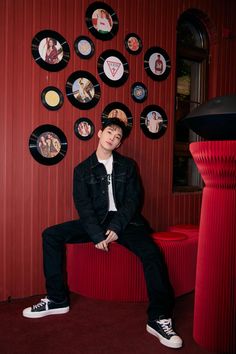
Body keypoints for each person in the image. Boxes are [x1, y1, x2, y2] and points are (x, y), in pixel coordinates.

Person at [22, 118, 183, 349]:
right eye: (110, 132)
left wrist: (116, 229)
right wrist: (97, 235)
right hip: (95, 222)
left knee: (151, 253)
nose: (113, 138)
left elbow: (132, 201)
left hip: (127, 223)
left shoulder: (128, 166)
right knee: (51, 235)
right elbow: (83, 206)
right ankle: (57, 299)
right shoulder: (82, 169)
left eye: (118, 137)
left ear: (119, 144)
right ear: (99, 133)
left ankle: (158, 318)